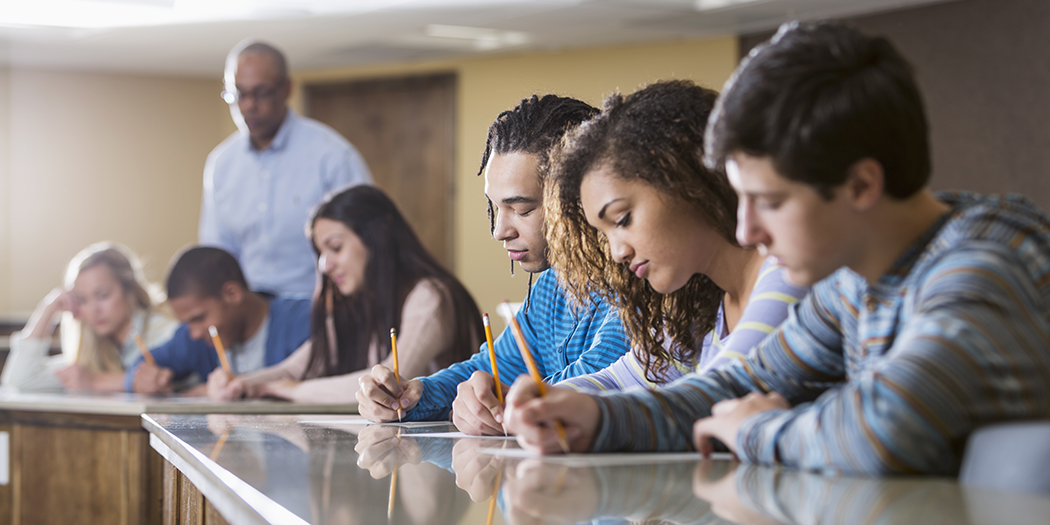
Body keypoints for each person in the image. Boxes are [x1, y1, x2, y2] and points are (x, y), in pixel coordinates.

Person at [504, 21, 1050, 476]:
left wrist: (756, 430)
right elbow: (734, 387)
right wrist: (593, 420)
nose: (747, 231)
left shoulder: (982, 267)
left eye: (768, 201)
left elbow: (881, 430)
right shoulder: (851, 283)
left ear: (860, 185)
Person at [355, 95, 631, 434]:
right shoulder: (551, 287)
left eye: (522, 209)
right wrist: (412, 395)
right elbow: (493, 367)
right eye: (495, 208)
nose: (500, 231)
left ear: (580, 197)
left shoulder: (640, 278)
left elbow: (603, 378)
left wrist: (500, 399)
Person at [545, 80, 806, 394]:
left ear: (684, 176)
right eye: (606, 234)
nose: (617, 252)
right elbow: (617, 380)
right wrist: (530, 401)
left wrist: (581, 410)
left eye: (623, 219)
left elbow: (717, 392)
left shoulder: (786, 270)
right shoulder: (702, 306)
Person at [207, 185, 483, 404]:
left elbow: (391, 381)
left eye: (335, 247)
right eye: (321, 253)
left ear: (377, 239)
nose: (324, 266)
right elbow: (293, 369)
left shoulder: (431, 297)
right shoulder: (356, 304)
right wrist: (241, 382)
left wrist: (291, 391)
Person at [200, 40, 373, 299]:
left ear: (286, 89)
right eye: (238, 94)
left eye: (260, 93)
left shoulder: (332, 155)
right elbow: (217, 252)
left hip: (319, 303)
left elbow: (366, 242)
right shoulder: (222, 163)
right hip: (252, 312)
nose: (248, 105)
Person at [126, 246, 311, 394]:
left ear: (232, 293)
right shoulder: (194, 339)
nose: (194, 333)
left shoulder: (304, 321)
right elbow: (145, 363)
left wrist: (205, 391)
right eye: (187, 323)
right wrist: (145, 379)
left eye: (198, 318)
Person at [1, 242, 178, 392]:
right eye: (82, 300)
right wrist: (48, 308)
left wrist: (97, 382)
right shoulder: (92, 351)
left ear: (128, 289)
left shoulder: (167, 333)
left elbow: (173, 382)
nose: (93, 310)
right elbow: (20, 380)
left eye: (103, 295)